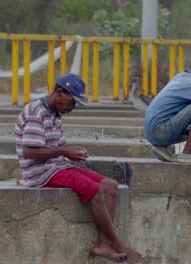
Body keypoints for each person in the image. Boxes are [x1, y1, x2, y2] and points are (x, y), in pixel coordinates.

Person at [15, 73, 143, 264]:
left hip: (57, 167)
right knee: (95, 190)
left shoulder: (56, 114)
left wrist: (73, 155)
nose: (72, 108)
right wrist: (65, 152)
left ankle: (102, 244)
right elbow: (29, 152)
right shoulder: (37, 111)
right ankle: (117, 243)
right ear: (59, 93)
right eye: (72, 102)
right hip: (40, 173)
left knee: (111, 186)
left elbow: (57, 150)